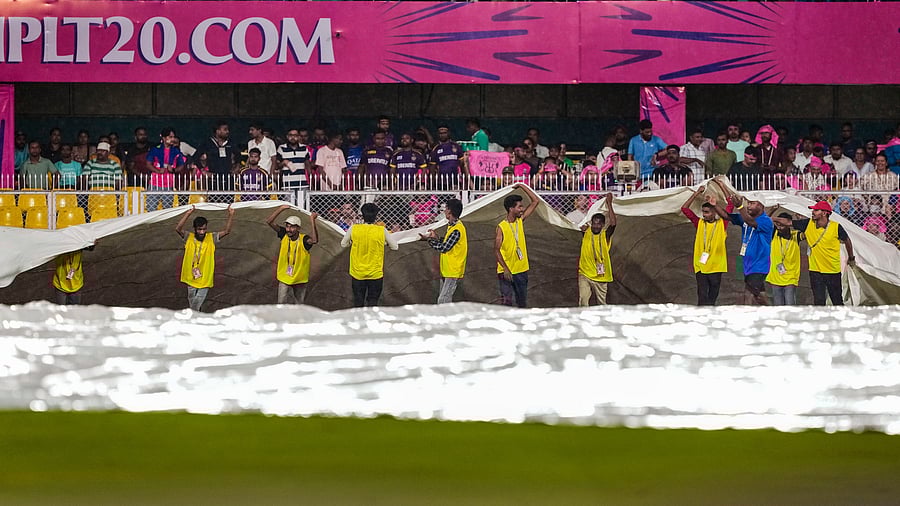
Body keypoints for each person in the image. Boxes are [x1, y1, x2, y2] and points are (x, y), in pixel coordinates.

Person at [774, 201, 856, 306]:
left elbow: (847, 241)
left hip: (832, 271)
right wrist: (773, 219)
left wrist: (851, 257)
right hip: (815, 271)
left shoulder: (836, 227)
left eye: (816, 210)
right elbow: (788, 222)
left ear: (824, 213)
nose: (813, 212)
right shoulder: (808, 224)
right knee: (818, 301)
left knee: (837, 301)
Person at [174, 205, 235, 312]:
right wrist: (188, 214)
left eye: (204, 229)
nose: (202, 232)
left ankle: (193, 320)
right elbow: (178, 228)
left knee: (196, 304)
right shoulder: (189, 236)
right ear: (195, 229)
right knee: (193, 304)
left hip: (205, 277)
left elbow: (227, 231)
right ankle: (196, 320)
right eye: (199, 229)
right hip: (190, 276)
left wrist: (231, 215)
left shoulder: (211, 237)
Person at [341, 203, 399, 307]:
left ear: (362, 215)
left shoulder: (354, 229)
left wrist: (354, 242)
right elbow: (395, 247)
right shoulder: (382, 230)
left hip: (357, 273)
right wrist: (383, 243)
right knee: (373, 302)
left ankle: (359, 321)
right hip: (375, 273)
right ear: (376, 215)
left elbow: (343, 244)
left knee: (358, 302)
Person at [681, 185, 732, 305]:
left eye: (707, 212)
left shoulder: (722, 223)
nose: (704, 215)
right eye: (703, 212)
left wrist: (721, 185)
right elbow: (684, 209)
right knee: (702, 296)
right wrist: (697, 193)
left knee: (712, 296)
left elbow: (730, 204)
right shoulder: (699, 223)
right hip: (701, 266)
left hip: (716, 266)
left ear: (714, 212)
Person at [495, 184, 540, 308]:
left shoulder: (519, 221)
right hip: (506, 271)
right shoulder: (501, 227)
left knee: (521, 302)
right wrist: (506, 268)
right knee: (507, 302)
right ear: (511, 209)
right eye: (519, 206)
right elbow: (497, 250)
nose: (522, 209)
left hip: (521, 269)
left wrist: (522, 186)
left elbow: (536, 201)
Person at [265, 205, 319, 304]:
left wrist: (312, 219)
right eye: (287, 226)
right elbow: (269, 222)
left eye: (292, 227)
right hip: (285, 276)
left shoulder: (304, 239)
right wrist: (281, 208)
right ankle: (282, 319)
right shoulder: (284, 235)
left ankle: (297, 319)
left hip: (300, 278)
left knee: (299, 305)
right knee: (281, 304)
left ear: (298, 228)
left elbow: (314, 240)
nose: (289, 229)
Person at [726, 193, 774, 305]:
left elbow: (750, 222)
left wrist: (740, 207)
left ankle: (746, 318)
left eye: (752, 203)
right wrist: (714, 206)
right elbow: (726, 216)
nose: (748, 206)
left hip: (759, 265)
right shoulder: (745, 219)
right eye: (748, 203)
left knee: (748, 294)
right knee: (760, 296)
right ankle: (772, 312)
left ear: (761, 206)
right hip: (748, 265)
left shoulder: (766, 221)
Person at [419, 198, 467, 304]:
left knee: (443, 300)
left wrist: (429, 240)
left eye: (445, 209)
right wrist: (436, 238)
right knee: (445, 299)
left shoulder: (456, 229)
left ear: (449, 211)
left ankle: (445, 319)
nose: (444, 211)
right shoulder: (454, 227)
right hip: (448, 270)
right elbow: (447, 243)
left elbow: (444, 248)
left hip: (452, 270)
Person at [577, 194, 616, 306]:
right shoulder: (586, 231)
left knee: (601, 303)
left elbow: (613, 223)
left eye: (599, 224)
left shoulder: (605, 235)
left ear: (603, 225)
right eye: (594, 223)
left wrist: (609, 204)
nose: (596, 226)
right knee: (583, 300)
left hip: (601, 276)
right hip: (584, 273)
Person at [766, 212, 801, 305]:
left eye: (782, 225)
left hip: (791, 277)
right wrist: (773, 210)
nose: (779, 228)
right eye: (778, 225)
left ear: (788, 225)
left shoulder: (796, 236)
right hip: (775, 277)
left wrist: (800, 222)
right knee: (778, 306)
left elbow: (808, 232)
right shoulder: (774, 234)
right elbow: (764, 220)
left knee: (790, 304)